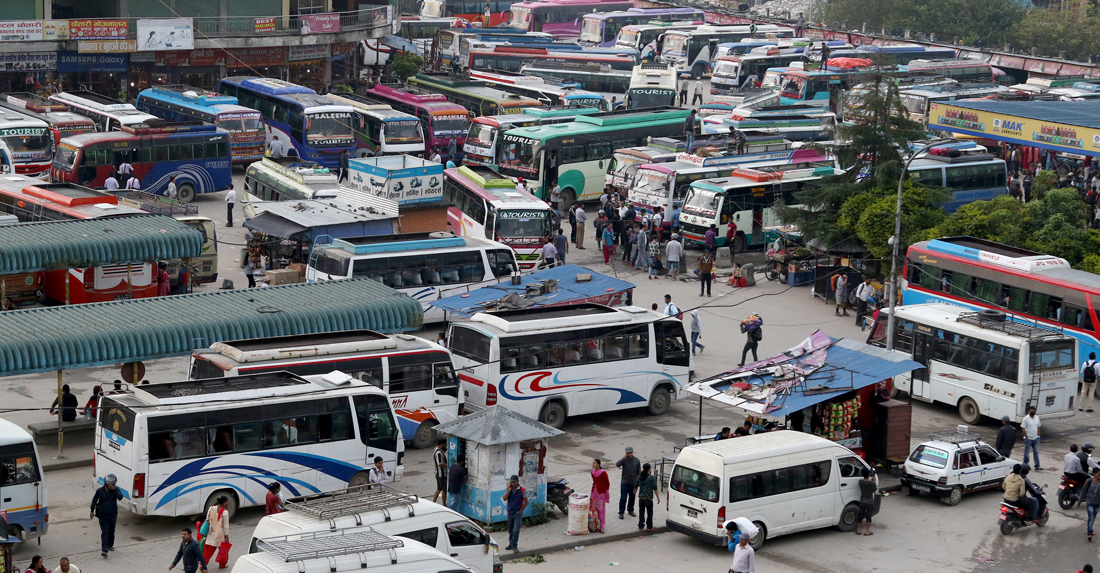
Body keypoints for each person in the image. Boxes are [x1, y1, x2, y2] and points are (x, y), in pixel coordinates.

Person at [90, 474, 123, 557]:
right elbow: (94, 500)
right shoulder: (100, 491)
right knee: (105, 532)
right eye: (109, 485)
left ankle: (110, 545)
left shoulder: (116, 490)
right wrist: (92, 510)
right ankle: (104, 550)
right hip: (102, 515)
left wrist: (114, 490)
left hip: (112, 514)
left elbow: (120, 497)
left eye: (112, 485)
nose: (111, 486)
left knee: (111, 531)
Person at [203, 495, 230, 566]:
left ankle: (203, 565)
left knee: (207, 551)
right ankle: (222, 564)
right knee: (223, 550)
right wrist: (226, 536)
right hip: (220, 534)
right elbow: (226, 526)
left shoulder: (211, 508)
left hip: (211, 532)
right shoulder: (225, 512)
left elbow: (207, 519)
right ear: (224, 503)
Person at [615, 447, 641, 520]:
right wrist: (623, 458)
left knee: (632, 497)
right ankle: (621, 512)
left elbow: (639, 472)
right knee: (623, 498)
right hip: (625, 482)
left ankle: (630, 510)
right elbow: (617, 465)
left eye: (630, 453)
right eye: (627, 453)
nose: (629, 454)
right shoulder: (624, 460)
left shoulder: (637, 460)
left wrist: (638, 482)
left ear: (632, 452)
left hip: (633, 482)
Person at [502, 474, 526, 552]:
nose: (513, 484)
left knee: (516, 530)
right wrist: (509, 490)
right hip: (510, 512)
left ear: (518, 482)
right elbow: (504, 499)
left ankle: (514, 546)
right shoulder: (508, 489)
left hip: (517, 513)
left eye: (514, 482)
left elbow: (526, 502)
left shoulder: (522, 490)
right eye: (511, 482)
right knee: (510, 530)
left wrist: (521, 510)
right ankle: (511, 544)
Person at [633, 463, 659, 531]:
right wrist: (658, 498)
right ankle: (649, 526)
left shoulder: (639, 477)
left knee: (641, 512)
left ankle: (641, 526)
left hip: (641, 498)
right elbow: (655, 488)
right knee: (649, 512)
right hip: (649, 498)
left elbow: (635, 485)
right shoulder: (652, 478)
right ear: (649, 469)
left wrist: (635, 491)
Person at [590, 459, 610, 533]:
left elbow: (607, 483)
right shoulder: (592, 472)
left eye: (594, 463)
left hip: (601, 492)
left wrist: (605, 491)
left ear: (598, 464)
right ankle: (595, 525)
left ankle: (602, 526)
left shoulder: (603, 473)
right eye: (593, 463)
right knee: (594, 509)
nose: (593, 464)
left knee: (601, 510)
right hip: (594, 492)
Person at [856, 468, 877, 535]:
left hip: (862, 501)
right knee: (868, 517)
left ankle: (858, 530)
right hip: (870, 502)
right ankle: (867, 531)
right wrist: (874, 482)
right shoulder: (872, 483)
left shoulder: (860, 482)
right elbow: (874, 490)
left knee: (860, 516)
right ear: (869, 474)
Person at [1082, 468, 1100, 541]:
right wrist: (1080, 501)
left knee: (1093, 517)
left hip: (1098, 504)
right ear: (1095, 474)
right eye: (1099, 474)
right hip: (1090, 502)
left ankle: (1090, 529)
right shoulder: (1089, 481)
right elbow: (1083, 491)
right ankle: (1089, 533)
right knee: (1091, 518)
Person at [432, 439, 448, 504]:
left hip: (440, 474)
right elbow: (440, 464)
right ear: (441, 444)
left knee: (440, 488)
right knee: (442, 489)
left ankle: (434, 503)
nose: (446, 445)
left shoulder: (437, 450)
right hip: (441, 474)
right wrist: (449, 465)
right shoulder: (438, 453)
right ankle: (443, 504)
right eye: (445, 444)